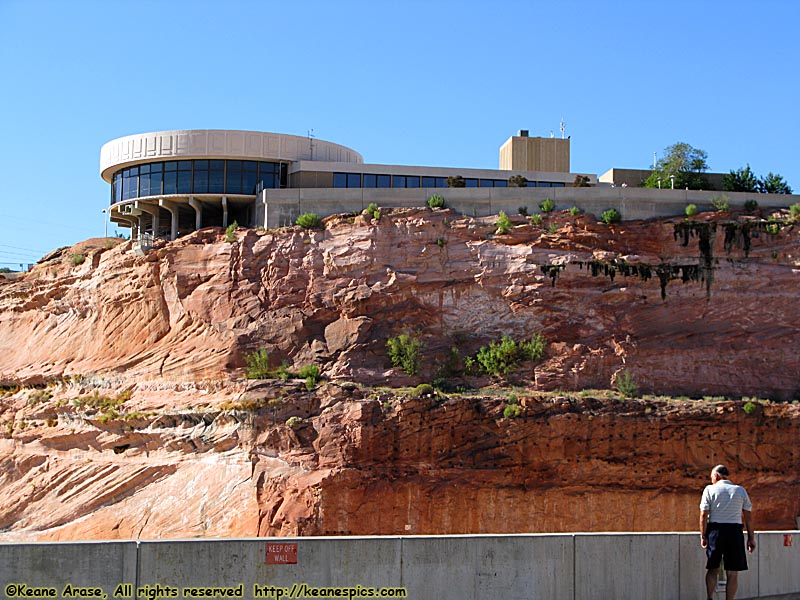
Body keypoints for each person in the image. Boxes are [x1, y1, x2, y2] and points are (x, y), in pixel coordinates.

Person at [699, 465, 755, 600]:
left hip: (715, 532)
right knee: (733, 572)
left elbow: (703, 515)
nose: (711, 479)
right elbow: (748, 517)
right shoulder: (740, 491)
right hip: (735, 532)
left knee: (713, 568)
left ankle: (709, 598)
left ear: (716, 476)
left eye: (711, 477)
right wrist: (751, 538)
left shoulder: (709, 489)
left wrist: (703, 535)